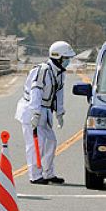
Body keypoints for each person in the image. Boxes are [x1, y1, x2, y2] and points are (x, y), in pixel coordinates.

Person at [15, 40, 76, 185]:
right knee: (35, 144)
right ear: (58, 57)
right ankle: (35, 175)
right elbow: (36, 91)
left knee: (51, 142)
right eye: (66, 58)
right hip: (32, 109)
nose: (68, 61)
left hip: (45, 110)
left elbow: (59, 93)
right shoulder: (42, 70)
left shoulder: (60, 73)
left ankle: (48, 173)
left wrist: (60, 112)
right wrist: (35, 113)